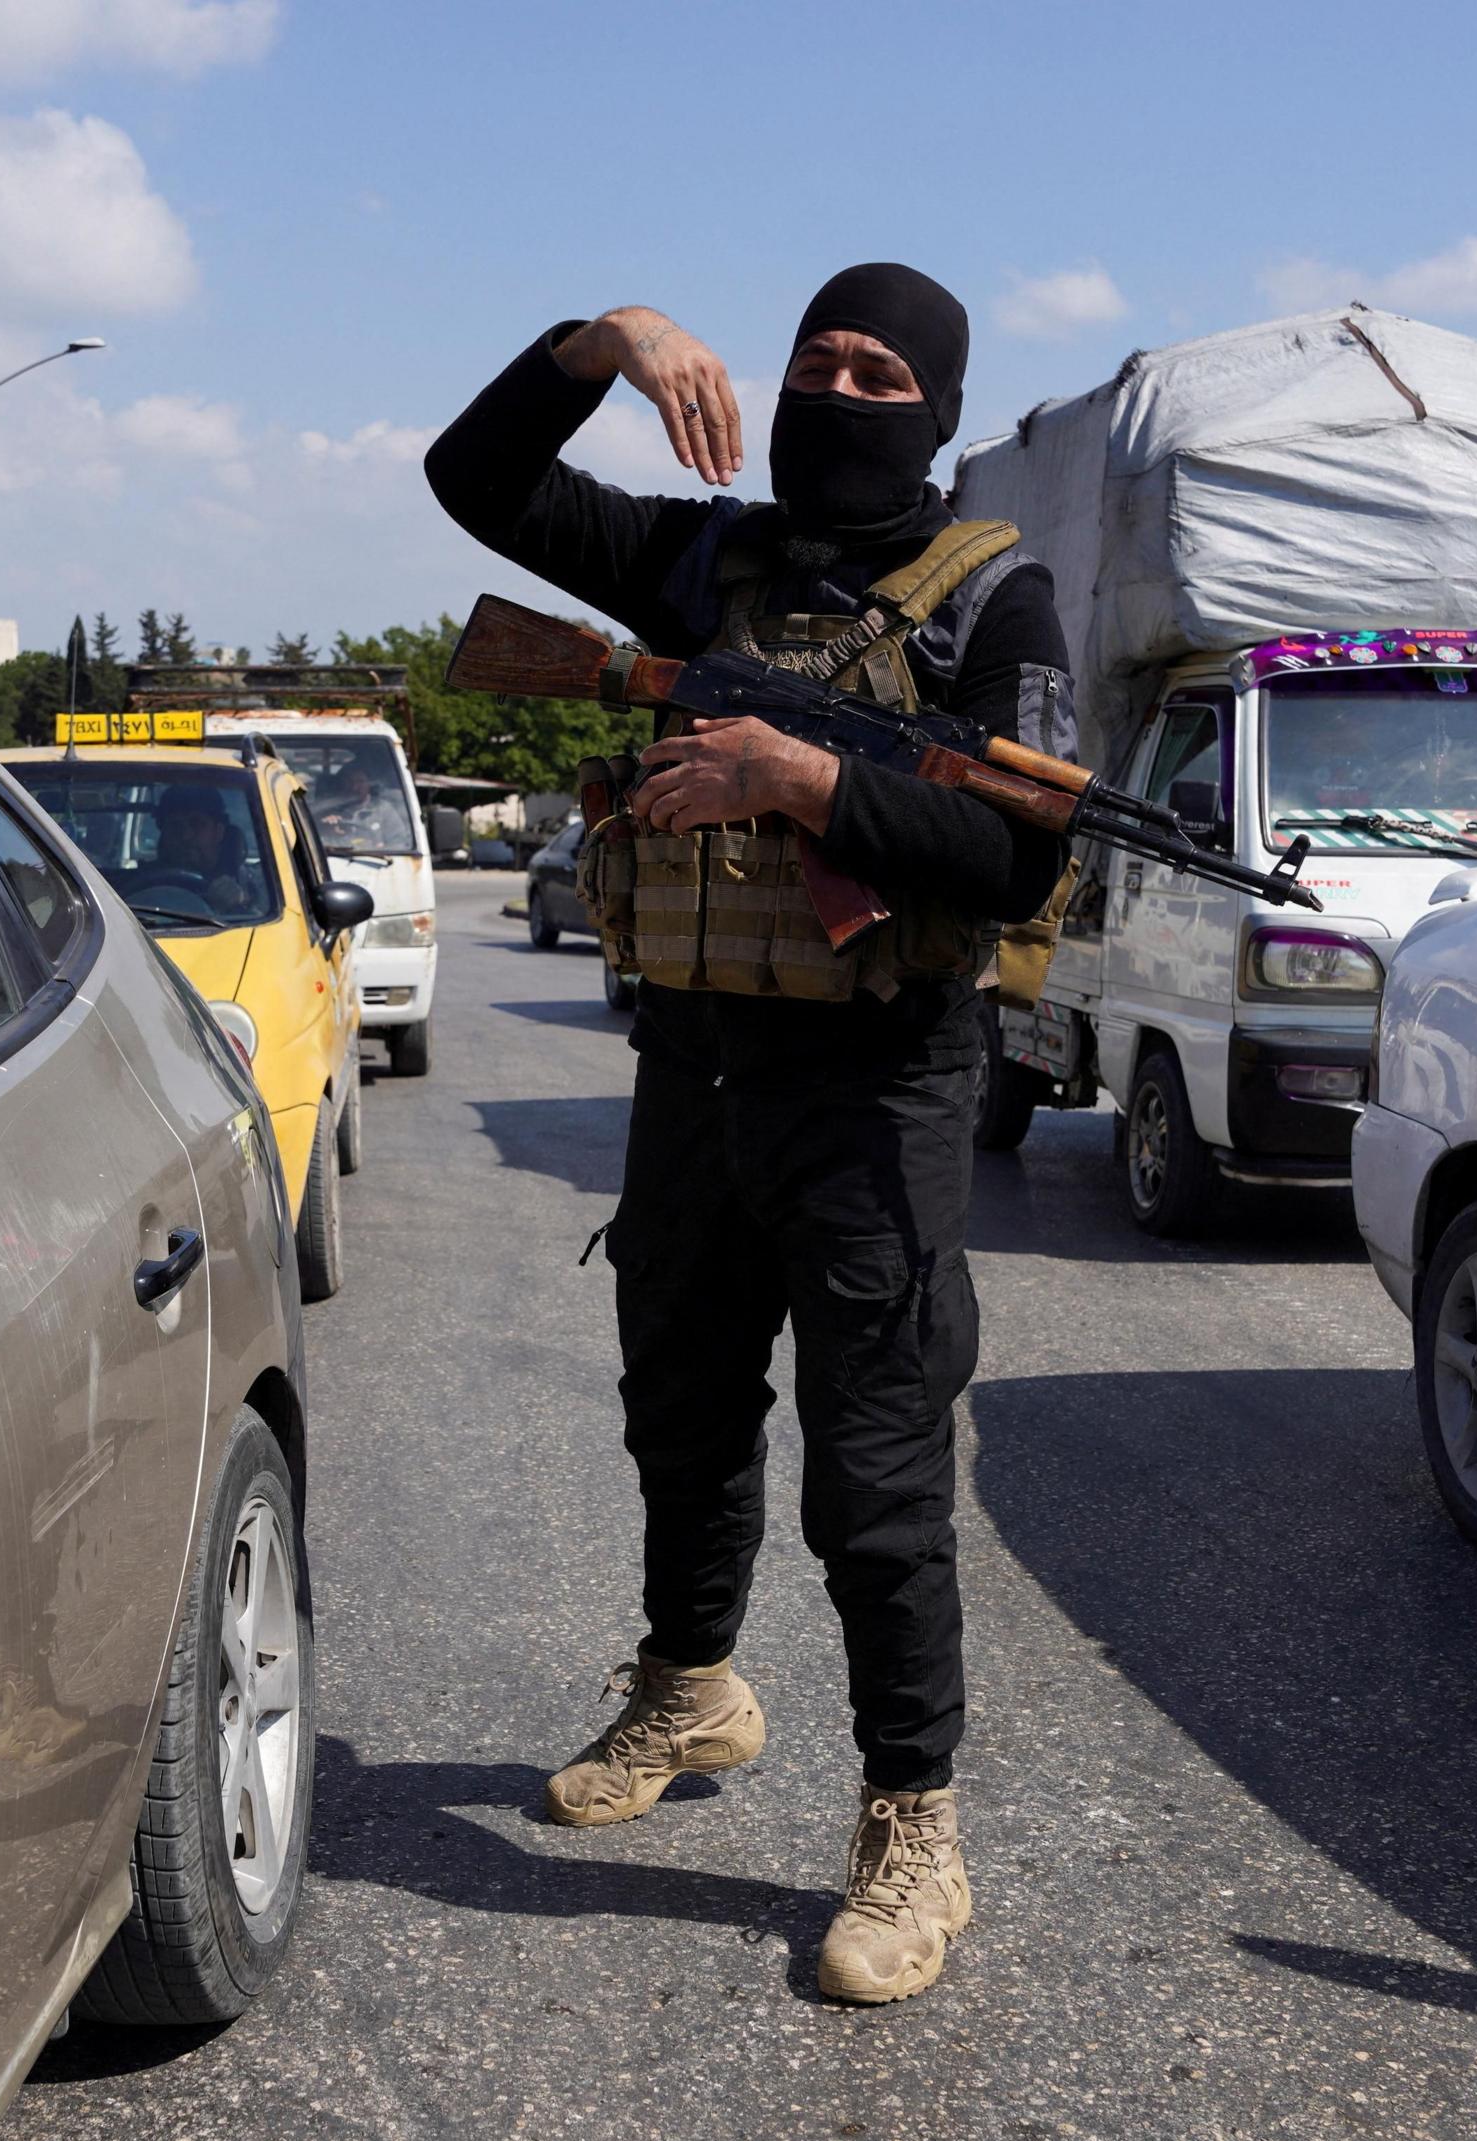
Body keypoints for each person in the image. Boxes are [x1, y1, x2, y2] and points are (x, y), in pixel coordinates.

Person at [425, 264, 1072, 2005]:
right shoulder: (704, 560)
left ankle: (913, 1823)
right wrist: (595, 343)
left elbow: (1021, 860)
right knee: (682, 1412)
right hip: (695, 1068)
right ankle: (688, 1690)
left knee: (875, 1474)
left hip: (881, 1086)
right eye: (814, 358)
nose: (838, 390)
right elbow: (473, 482)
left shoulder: (990, 607)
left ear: (933, 411)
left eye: (878, 372)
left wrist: (802, 782)